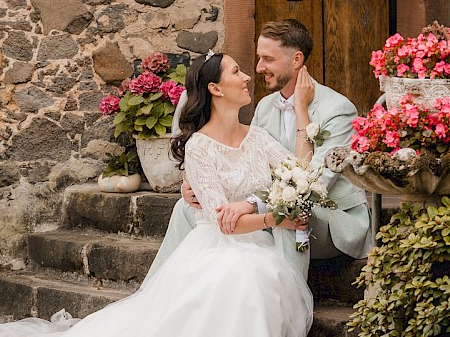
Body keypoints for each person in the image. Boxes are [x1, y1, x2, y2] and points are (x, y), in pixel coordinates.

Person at [0, 51, 316, 337]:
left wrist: (301, 110)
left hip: (256, 244)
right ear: (215, 89)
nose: (247, 76)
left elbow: (298, 173)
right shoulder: (200, 147)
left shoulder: (257, 137)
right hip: (220, 247)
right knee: (244, 278)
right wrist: (275, 219)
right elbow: (223, 222)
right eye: (236, 72)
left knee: (260, 275)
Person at [146, 19, 372, 284]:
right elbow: (248, 163)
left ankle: (290, 296)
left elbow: (314, 182)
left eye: (268, 59)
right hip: (279, 202)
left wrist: (252, 204)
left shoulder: (337, 109)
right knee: (186, 208)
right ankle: (169, 287)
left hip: (330, 218)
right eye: (259, 58)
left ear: (296, 60)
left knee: (286, 214)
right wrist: (196, 185)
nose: (258, 68)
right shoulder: (265, 106)